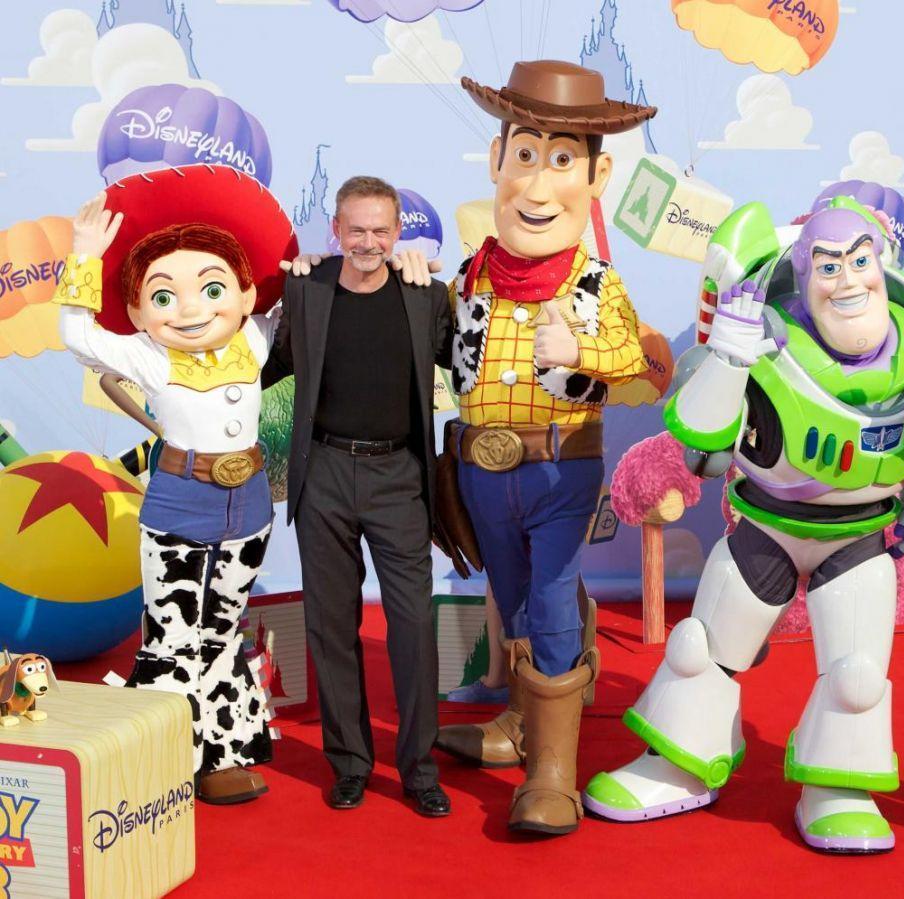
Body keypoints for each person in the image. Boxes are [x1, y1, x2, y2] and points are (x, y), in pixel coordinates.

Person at [583, 198, 904, 852]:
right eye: (828, 266)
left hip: (859, 535)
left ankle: (839, 786)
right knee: (699, 648)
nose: (848, 280)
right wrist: (729, 358)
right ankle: (680, 761)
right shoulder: (763, 337)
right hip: (768, 525)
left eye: (860, 261)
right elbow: (701, 437)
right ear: (804, 274)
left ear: (882, 264)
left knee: (857, 677)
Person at [432, 60, 653, 836]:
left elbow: (633, 356)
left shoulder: (595, 281)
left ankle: (554, 772)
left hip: (561, 465)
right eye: (524, 154)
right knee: (514, 594)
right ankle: (523, 725)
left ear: (596, 176)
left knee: (554, 596)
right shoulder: (471, 277)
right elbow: (438, 346)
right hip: (481, 470)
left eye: (561, 160)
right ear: (497, 160)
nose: (535, 183)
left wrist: (582, 350)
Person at [54, 166, 296, 804]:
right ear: (138, 310)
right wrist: (84, 257)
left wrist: (311, 268)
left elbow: (299, 299)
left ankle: (223, 755)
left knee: (221, 630)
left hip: (248, 506)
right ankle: (163, 759)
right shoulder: (146, 354)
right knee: (172, 633)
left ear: (245, 293)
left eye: (212, 288)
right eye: (164, 297)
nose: (191, 309)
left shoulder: (256, 336)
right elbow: (76, 335)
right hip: (179, 504)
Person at [262, 176, 454, 817]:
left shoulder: (427, 295)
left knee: (413, 625)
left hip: (399, 476)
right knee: (331, 625)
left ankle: (419, 770)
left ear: (397, 233)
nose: (368, 242)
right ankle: (349, 764)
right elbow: (263, 365)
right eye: (356, 230)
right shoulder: (306, 288)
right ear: (336, 231)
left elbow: (469, 362)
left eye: (380, 230)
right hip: (323, 474)